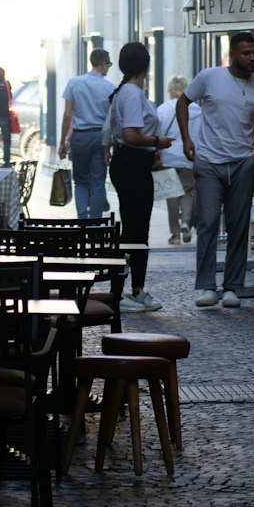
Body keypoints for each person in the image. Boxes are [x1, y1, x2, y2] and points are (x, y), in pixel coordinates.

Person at [177, 31, 254, 309]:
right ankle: (208, 285)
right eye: (246, 53)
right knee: (206, 222)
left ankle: (232, 287)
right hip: (208, 161)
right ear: (232, 54)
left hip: (243, 162)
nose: (252, 57)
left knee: (238, 225)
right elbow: (183, 102)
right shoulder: (210, 77)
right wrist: (186, 138)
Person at [108, 41, 173, 312]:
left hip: (128, 162)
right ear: (146, 66)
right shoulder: (132, 94)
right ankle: (127, 291)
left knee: (134, 228)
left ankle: (130, 289)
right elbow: (132, 134)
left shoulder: (122, 91)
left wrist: (150, 147)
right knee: (136, 231)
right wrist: (158, 141)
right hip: (132, 163)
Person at [58, 47, 115, 219]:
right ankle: (95, 224)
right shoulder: (110, 88)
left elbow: (68, 115)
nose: (108, 68)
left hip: (80, 137)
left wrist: (63, 143)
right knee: (98, 182)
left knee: (81, 181)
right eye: (109, 64)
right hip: (100, 137)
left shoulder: (74, 83)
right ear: (103, 64)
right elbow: (111, 120)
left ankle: (83, 218)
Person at [157, 75, 201, 245]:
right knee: (188, 191)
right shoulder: (197, 109)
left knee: (171, 195)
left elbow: (157, 132)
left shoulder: (162, 109)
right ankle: (186, 223)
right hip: (189, 156)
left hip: (168, 157)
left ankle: (175, 235)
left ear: (169, 90)